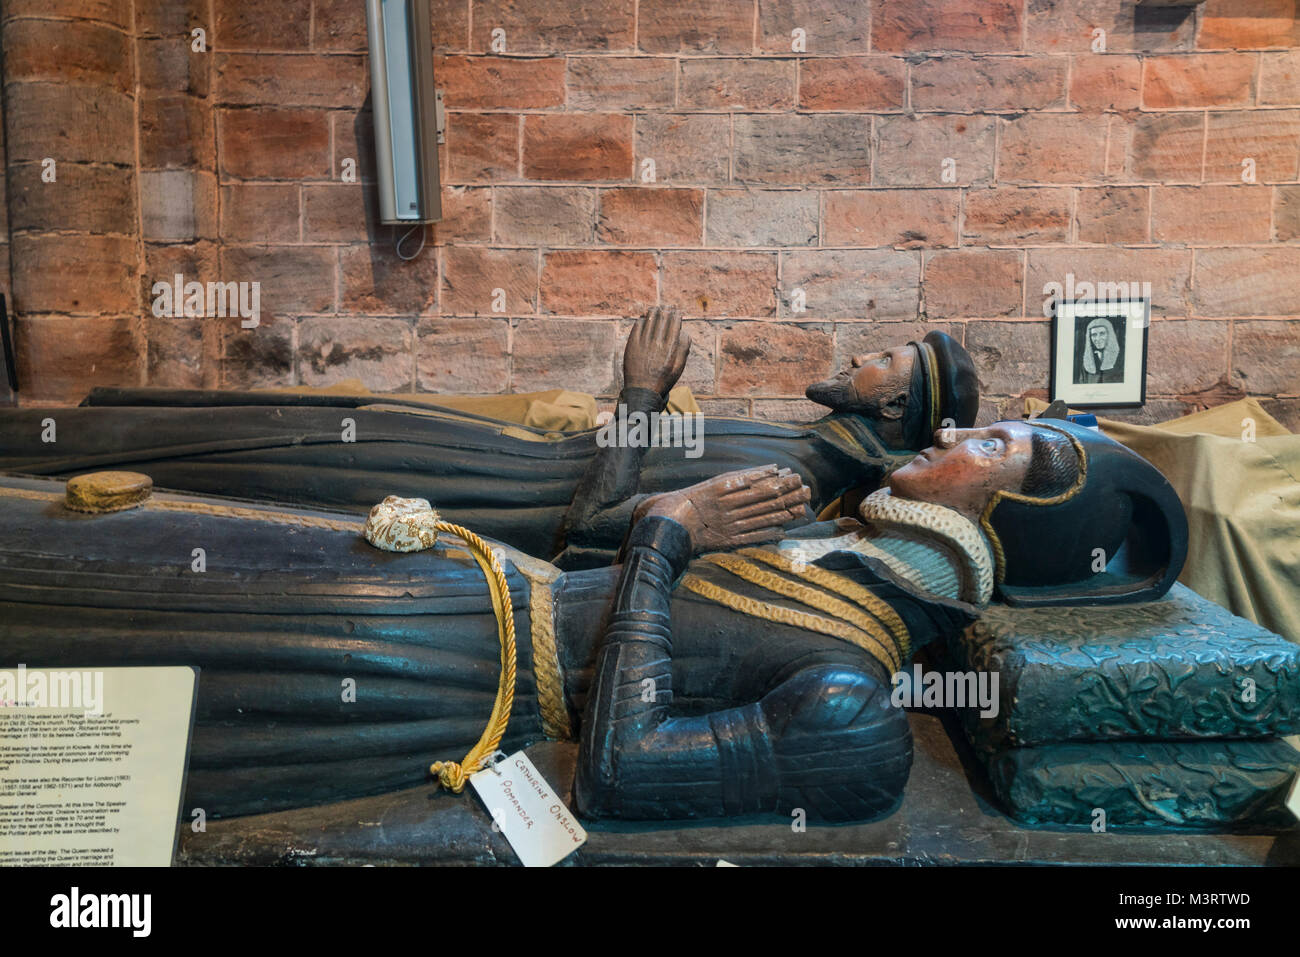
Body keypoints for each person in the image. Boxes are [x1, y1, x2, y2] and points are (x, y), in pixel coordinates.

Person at [0, 412, 1186, 823]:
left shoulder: (854, 710)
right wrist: (658, 524)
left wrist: (668, 532)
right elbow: (603, 551)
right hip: (462, 590)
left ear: (1013, 521)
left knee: (110, 627)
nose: (944, 441)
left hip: (432, 676)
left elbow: (622, 770)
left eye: (984, 445)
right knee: (110, 539)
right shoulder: (832, 554)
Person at [0, 309, 979, 565]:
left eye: (891, 357)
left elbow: (595, 530)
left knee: (268, 461)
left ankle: (31, 467)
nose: (868, 358)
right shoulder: (810, 453)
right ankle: (35, 444)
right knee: (284, 427)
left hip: (494, 497)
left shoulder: (801, 482)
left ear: (894, 412)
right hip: (483, 459)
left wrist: (638, 394)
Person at [1075, 317, 1123, 384]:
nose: (1098, 338)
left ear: (1109, 335)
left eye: (1102, 333)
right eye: (1094, 335)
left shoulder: (1122, 359)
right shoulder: (1086, 361)